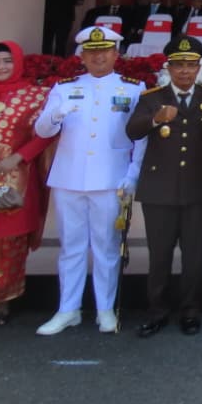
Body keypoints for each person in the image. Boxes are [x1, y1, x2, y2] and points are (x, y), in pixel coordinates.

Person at [33, 26, 145, 335]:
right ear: (81, 56)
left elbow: (142, 138)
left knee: (107, 248)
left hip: (110, 179)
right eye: (92, 52)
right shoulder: (65, 88)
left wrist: (133, 173)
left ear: (116, 54)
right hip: (69, 178)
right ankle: (68, 309)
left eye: (105, 51)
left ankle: (105, 309)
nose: (98, 57)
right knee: (71, 247)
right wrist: (56, 114)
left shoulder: (133, 88)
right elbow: (42, 131)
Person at [124, 36, 202, 337]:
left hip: (197, 187)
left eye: (190, 65)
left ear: (199, 68)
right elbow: (132, 131)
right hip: (159, 188)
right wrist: (156, 119)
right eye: (179, 65)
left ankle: (191, 311)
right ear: (168, 68)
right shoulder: (152, 98)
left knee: (194, 254)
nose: (184, 71)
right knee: (160, 255)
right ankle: (157, 311)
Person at [0, 41, 52, 334]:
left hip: (11, 182)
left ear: (18, 64)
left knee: (7, 245)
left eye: (8, 61)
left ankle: (4, 299)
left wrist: (19, 157)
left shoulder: (33, 97)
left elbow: (46, 134)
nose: (1, 67)